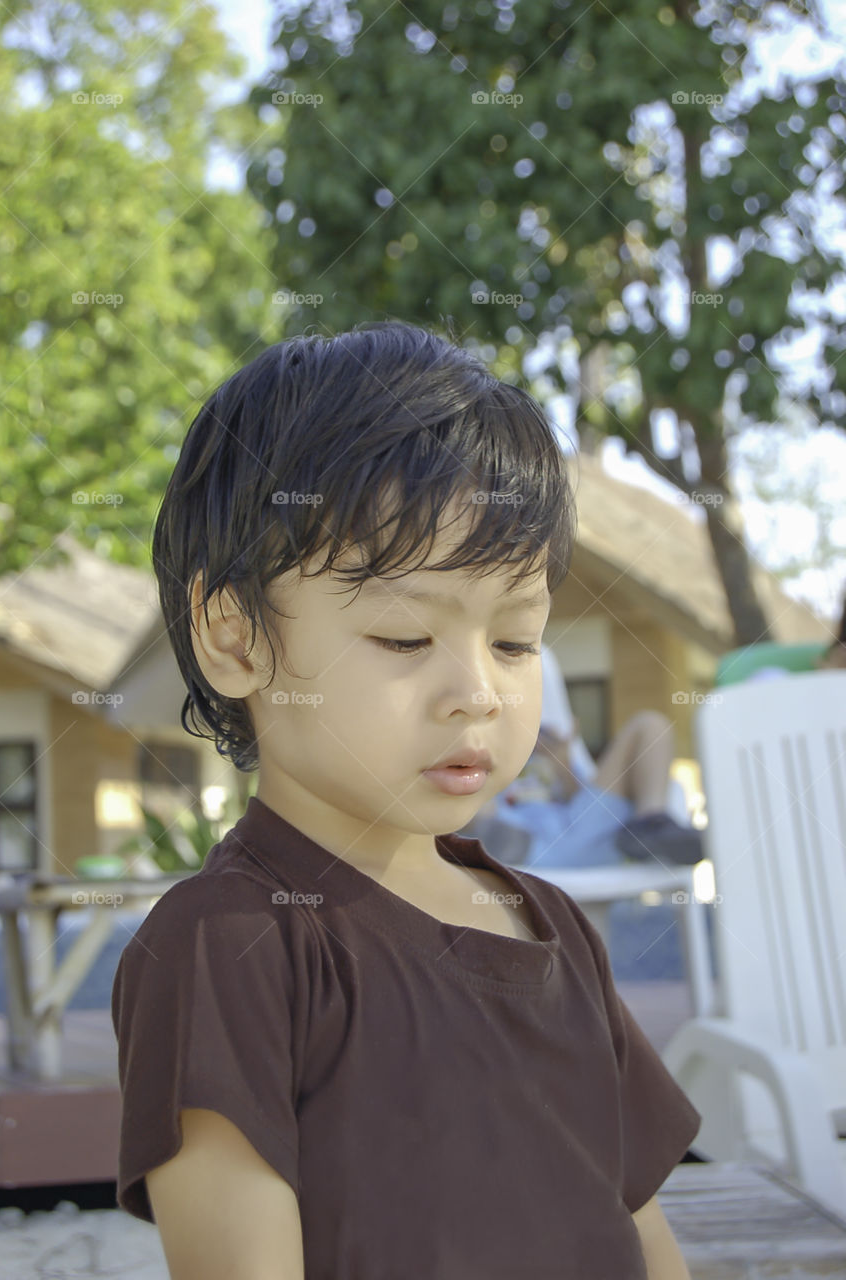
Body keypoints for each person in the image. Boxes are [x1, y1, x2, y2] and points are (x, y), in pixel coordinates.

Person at [111, 321, 699, 1280]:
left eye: (515, 642)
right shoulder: (229, 948)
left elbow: (640, 1232)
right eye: (402, 639)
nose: (479, 691)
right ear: (234, 638)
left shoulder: (548, 924)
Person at [474, 645, 703, 868]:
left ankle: (651, 822)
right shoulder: (482, 751)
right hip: (529, 845)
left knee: (651, 725)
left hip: (589, 832)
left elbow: (580, 801)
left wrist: (561, 763)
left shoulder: (552, 748)